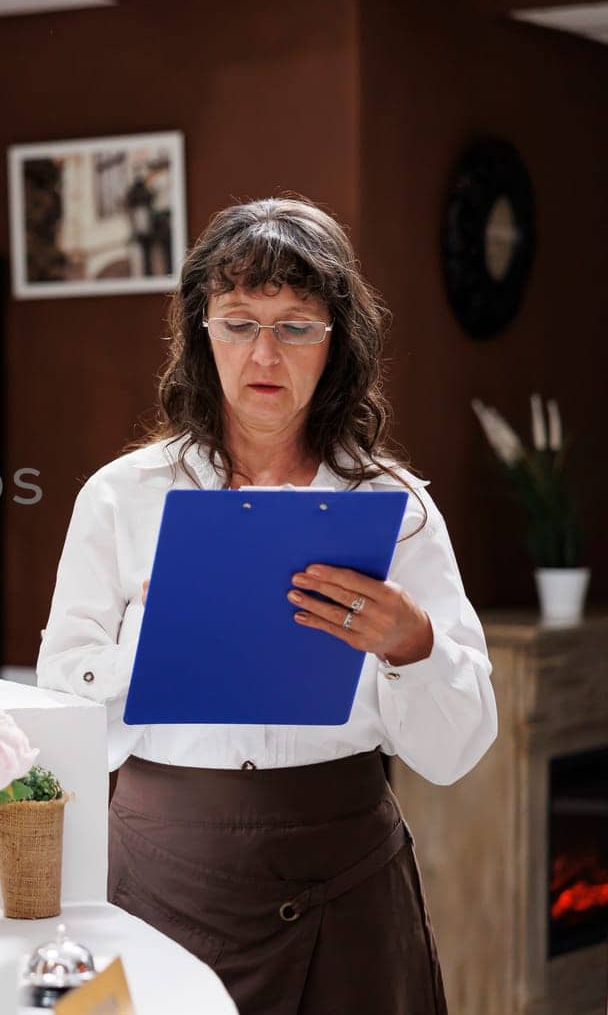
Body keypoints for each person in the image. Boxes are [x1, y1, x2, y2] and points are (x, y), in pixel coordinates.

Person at [38, 197, 496, 1013]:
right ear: (200, 330)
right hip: (159, 880)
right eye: (239, 321)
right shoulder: (121, 498)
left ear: (337, 342)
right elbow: (58, 719)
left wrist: (413, 643)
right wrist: (164, 637)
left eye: (295, 326)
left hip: (348, 877)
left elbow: (459, 750)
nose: (264, 353)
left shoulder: (398, 510)